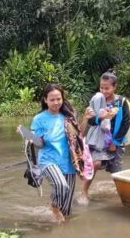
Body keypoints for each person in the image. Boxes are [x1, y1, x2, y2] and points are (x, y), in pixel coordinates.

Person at [80, 69, 130, 204]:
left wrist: (115, 142)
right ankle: (84, 192)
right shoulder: (97, 100)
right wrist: (100, 117)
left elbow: (126, 123)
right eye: (101, 87)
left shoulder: (122, 102)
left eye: (107, 88)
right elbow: (91, 121)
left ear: (114, 87)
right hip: (99, 140)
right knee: (94, 163)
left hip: (117, 140)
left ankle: (122, 196)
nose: (103, 91)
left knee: (116, 172)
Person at [30, 83, 79, 222]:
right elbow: (39, 144)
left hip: (69, 161)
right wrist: (29, 136)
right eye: (52, 99)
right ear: (45, 100)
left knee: (67, 212)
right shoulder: (39, 119)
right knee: (60, 185)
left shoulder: (68, 115)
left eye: (59, 99)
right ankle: (54, 206)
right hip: (48, 160)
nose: (56, 102)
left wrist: (86, 119)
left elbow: (77, 136)